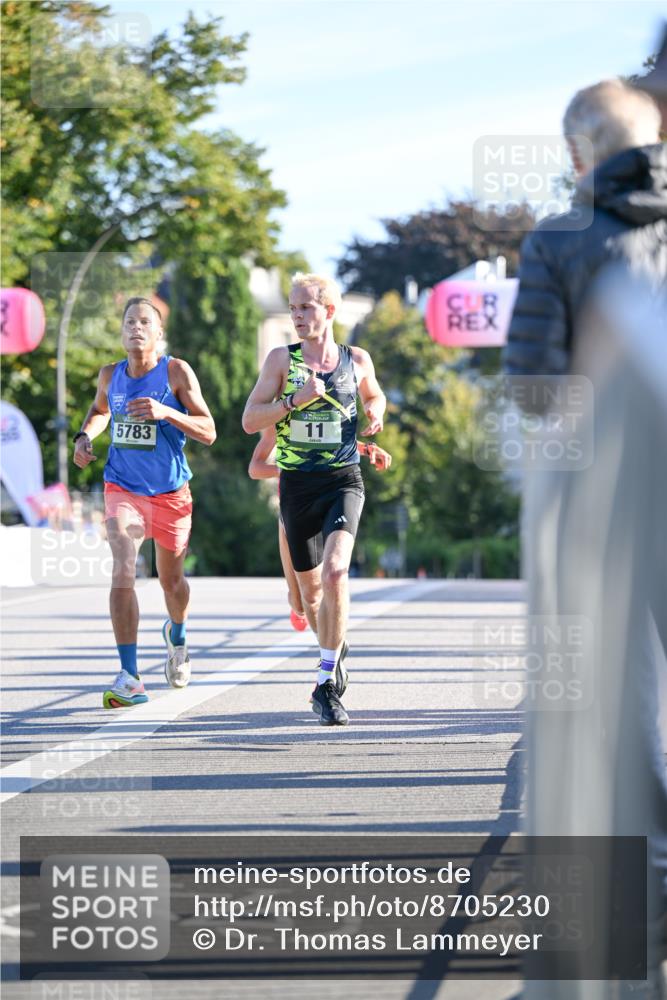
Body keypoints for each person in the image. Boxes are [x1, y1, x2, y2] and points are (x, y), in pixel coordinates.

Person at [503, 81, 666, 997]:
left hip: (618, 505)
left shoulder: (560, 240)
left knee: (626, 701)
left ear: (576, 156)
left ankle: (641, 908)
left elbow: (536, 389)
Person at [242, 273, 386, 726]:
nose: (298, 316)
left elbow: (373, 393)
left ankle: (326, 683)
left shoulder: (356, 359)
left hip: (343, 480)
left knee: (337, 569)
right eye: (293, 308)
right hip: (298, 486)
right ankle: (332, 647)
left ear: (329, 311)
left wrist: (375, 414)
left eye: (306, 307)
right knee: (310, 597)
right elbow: (249, 420)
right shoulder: (281, 361)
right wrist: (293, 402)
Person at [73, 297, 216, 708]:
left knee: (172, 582)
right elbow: (100, 411)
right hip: (123, 488)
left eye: (144, 322)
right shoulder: (110, 375)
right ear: (121, 332)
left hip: (171, 494)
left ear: (158, 333)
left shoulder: (175, 371)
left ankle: (178, 634)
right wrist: (85, 437)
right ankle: (130, 676)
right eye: (129, 322)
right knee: (122, 568)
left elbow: (209, 430)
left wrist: (165, 413)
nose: (135, 328)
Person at [248, 426, 393, 633]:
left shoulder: (325, 406)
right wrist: (290, 468)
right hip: (294, 509)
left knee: (331, 573)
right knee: (299, 603)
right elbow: (255, 469)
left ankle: (333, 647)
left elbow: (336, 441)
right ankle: (303, 611)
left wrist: (368, 449)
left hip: (329, 498)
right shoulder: (281, 415)